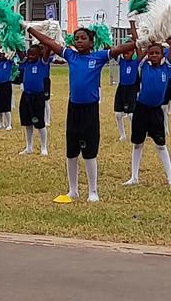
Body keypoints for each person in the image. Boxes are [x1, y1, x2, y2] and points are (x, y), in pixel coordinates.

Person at [25, 25, 136, 203]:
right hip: (73, 109)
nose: (79, 41)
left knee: (89, 151)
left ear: (92, 42)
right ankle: (73, 190)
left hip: (89, 110)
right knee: (71, 151)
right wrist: (29, 28)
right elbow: (48, 42)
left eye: (83, 38)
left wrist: (142, 40)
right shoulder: (71, 55)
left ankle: (93, 191)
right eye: (76, 38)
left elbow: (122, 48)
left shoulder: (99, 57)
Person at [124, 26, 171, 187]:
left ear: (162, 55)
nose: (153, 55)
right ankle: (134, 177)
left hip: (156, 111)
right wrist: (132, 23)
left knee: (161, 145)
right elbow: (137, 43)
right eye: (151, 53)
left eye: (157, 53)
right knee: (137, 144)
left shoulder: (166, 67)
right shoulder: (143, 65)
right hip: (141, 109)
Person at [18, 44, 49, 155]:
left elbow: (48, 50)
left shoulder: (42, 63)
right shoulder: (26, 62)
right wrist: (13, 39)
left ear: (39, 55)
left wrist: (48, 41)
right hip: (26, 95)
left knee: (40, 124)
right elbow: (19, 51)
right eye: (28, 54)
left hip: (38, 97)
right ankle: (29, 147)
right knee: (27, 123)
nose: (29, 56)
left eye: (33, 54)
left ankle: (44, 148)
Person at [113, 44, 139, 141]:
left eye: (129, 51)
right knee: (118, 114)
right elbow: (112, 51)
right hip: (121, 89)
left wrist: (136, 43)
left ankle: (135, 134)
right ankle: (122, 135)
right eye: (124, 52)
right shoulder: (121, 61)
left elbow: (141, 52)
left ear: (133, 52)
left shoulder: (136, 62)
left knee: (131, 115)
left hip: (131, 89)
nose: (126, 53)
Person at [0, 49, 14, 130]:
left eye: (3, 54)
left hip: (6, 84)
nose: (1, 55)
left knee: (6, 105)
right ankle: (1, 123)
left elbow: (13, 55)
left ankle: (9, 124)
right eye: (0, 54)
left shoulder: (9, 62)